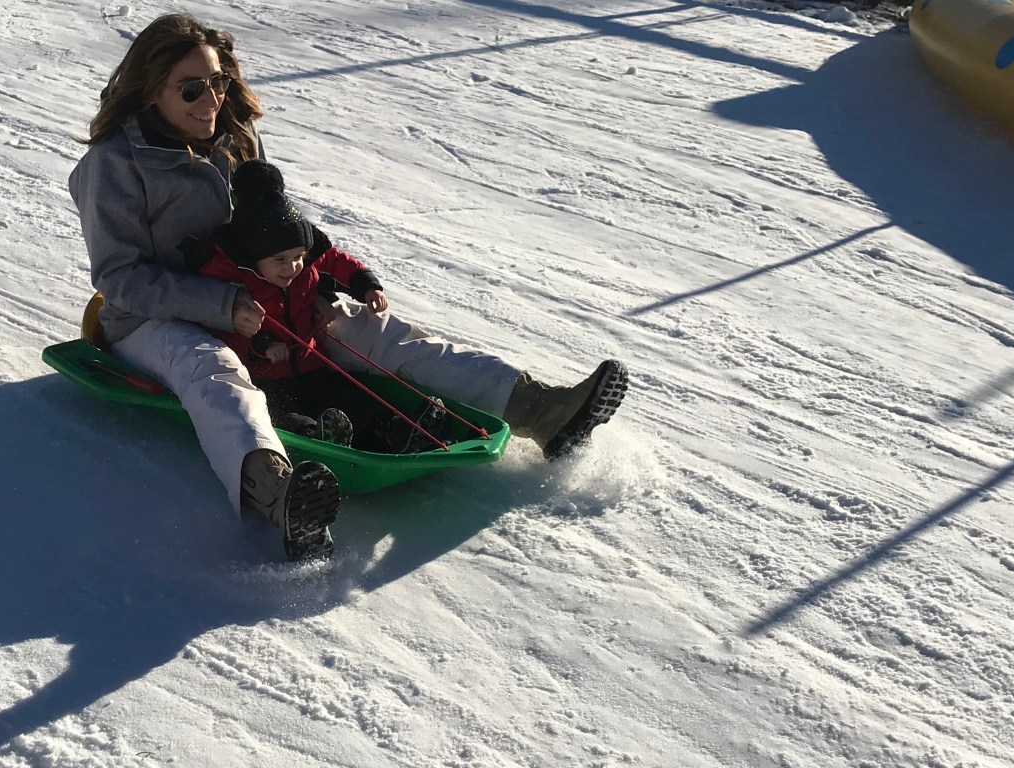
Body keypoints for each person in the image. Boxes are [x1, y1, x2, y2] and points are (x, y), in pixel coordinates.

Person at [68, 13, 629, 561]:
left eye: (218, 82)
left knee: (372, 331)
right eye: (192, 88)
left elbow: (274, 225)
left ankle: (541, 410)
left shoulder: (234, 137)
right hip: (154, 319)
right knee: (210, 366)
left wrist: (309, 286)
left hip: (258, 299)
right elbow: (119, 278)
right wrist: (220, 304)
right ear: (151, 90)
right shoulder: (114, 165)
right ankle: (276, 493)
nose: (211, 99)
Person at [183, 159, 449, 455]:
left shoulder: (298, 259)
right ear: (253, 257)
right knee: (278, 413)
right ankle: (314, 437)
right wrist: (262, 345)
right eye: (280, 260)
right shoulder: (230, 279)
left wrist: (366, 284)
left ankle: (394, 429)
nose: (292, 267)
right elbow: (218, 329)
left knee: (344, 396)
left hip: (311, 363)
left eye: (298, 257)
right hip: (261, 377)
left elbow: (335, 261)